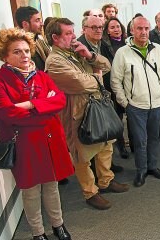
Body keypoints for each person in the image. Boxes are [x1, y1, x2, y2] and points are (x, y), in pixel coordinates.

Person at [0, 28, 73, 240]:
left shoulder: (42, 76)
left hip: (49, 141)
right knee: (30, 190)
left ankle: (58, 225)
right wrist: (44, 108)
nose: (24, 55)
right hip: (23, 144)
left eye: (26, 50)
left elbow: (60, 101)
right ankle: (38, 232)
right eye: (17, 52)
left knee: (52, 186)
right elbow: (7, 113)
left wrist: (28, 105)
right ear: (4, 55)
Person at [46, 18, 130, 211]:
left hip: (97, 107)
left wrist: (90, 56)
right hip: (76, 114)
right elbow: (81, 84)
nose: (73, 36)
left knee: (105, 145)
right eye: (68, 33)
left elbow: (106, 66)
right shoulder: (55, 61)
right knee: (82, 156)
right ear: (55, 37)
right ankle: (90, 192)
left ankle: (106, 181)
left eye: (73, 32)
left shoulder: (75, 53)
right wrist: (97, 77)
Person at [111, 16, 160, 187]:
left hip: (157, 104)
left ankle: (152, 166)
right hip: (136, 106)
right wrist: (125, 103)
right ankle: (141, 170)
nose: (143, 32)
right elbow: (115, 81)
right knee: (140, 140)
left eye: (146, 28)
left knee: (154, 137)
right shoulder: (122, 53)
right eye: (139, 28)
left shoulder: (158, 49)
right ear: (132, 30)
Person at [77, 16, 125, 173]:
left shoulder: (99, 44)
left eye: (100, 27)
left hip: (101, 93)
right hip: (87, 99)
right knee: (93, 136)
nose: (98, 30)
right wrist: (97, 77)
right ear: (84, 29)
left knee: (105, 136)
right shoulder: (80, 46)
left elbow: (107, 66)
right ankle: (97, 179)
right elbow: (81, 80)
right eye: (94, 27)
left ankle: (106, 172)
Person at [101, 17, 133, 158]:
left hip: (129, 85)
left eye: (118, 26)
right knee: (118, 119)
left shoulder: (129, 43)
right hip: (113, 85)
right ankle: (121, 146)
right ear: (107, 31)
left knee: (132, 117)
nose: (116, 29)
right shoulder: (104, 46)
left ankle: (133, 143)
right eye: (112, 27)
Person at [15, 6, 50, 71]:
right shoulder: (19, 46)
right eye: (37, 20)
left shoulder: (39, 40)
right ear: (25, 24)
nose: (42, 24)